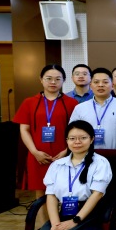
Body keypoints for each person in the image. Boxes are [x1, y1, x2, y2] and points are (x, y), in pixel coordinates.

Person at [14, 64, 79, 199]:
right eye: (49, 78)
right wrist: (34, 152)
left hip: (64, 154)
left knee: (67, 191)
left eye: (58, 79)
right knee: (41, 194)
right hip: (38, 155)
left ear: (64, 80)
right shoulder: (29, 102)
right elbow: (24, 129)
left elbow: (77, 130)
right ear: (41, 79)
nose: (53, 82)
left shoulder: (72, 103)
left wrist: (67, 151)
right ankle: (43, 215)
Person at [69, 67, 116, 150]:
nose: (100, 85)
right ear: (91, 85)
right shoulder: (80, 108)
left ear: (112, 85)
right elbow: (72, 132)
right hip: (88, 153)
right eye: (96, 82)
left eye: (105, 82)